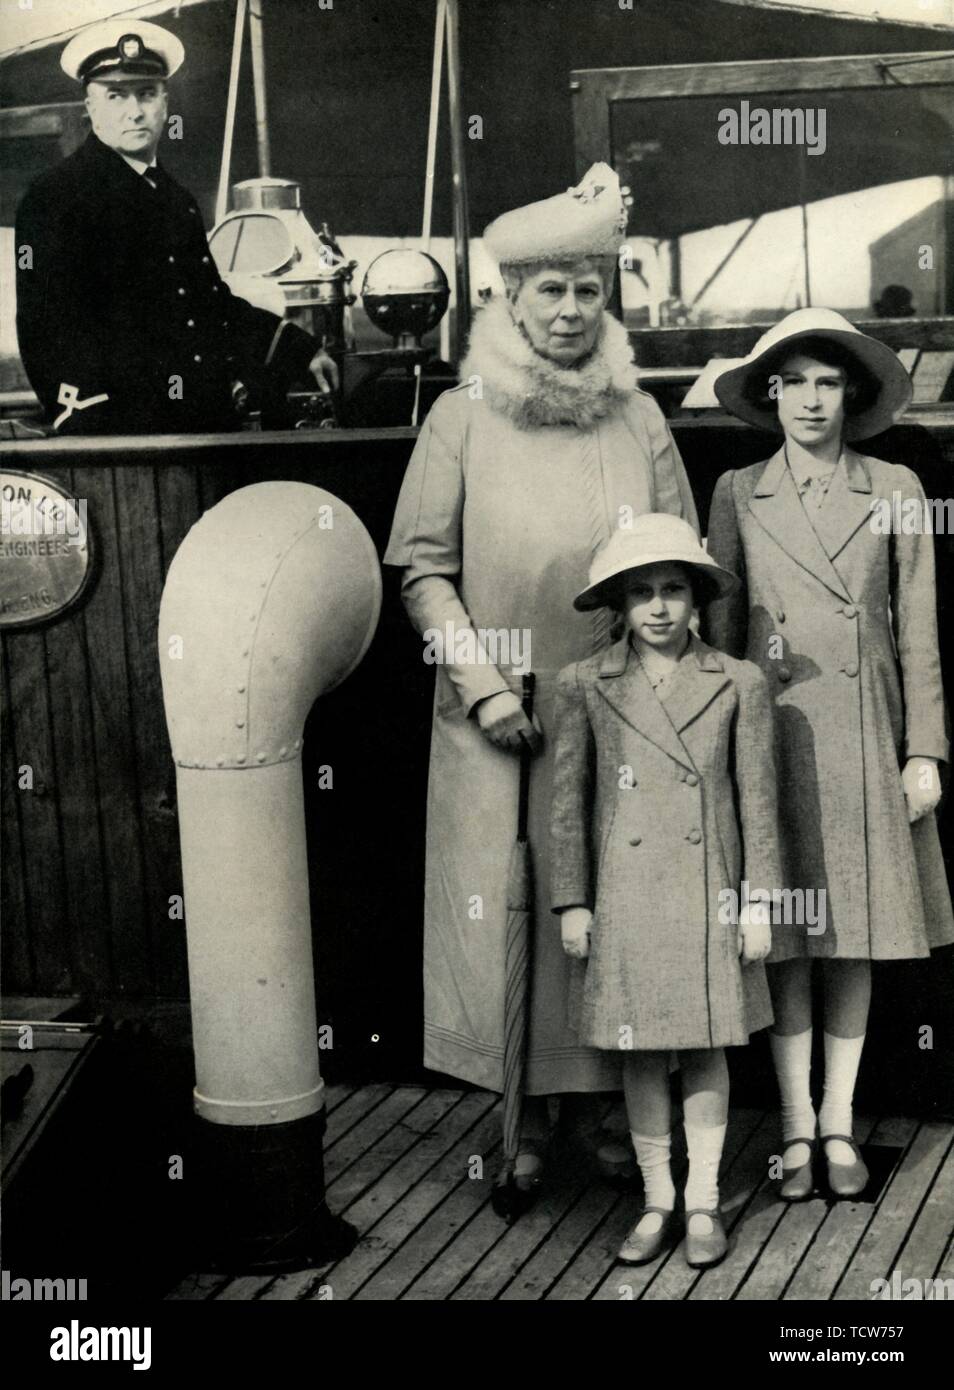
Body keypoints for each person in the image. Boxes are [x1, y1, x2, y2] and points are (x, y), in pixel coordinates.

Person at [384, 164, 699, 1194]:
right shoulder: (462, 417)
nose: (569, 310)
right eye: (549, 291)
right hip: (500, 715)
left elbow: (680, 559)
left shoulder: (639, 418)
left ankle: (609, 1105)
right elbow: (422, 572)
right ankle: (518, 1113)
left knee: (609, 906)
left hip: (617, 708)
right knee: (506, 911)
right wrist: (485, 688)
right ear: (508, 301)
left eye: (588, 291)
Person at [706, 308, 954, 1202]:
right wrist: (722, 755)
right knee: (784, 941)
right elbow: (723, 642)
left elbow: (918, 630)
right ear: (769, 392)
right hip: (774, 736)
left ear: (852, 392)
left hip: (861, 734)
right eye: (794, 381)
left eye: (827, 381)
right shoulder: (736, 491)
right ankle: (796, 1129)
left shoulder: (895, 486)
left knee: (850, 937)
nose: (811, 400)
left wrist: (924, 747)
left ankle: (841, 1122)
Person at [550, 515, 778, 1268]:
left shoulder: (739, 681)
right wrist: (574, 901)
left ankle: (705, 1201)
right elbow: (568, 804)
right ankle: (657, 1200)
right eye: (641, 592)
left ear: (698, 598)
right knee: (640, 1051)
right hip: (624, 895)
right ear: (619, 603)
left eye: (673, 589)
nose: (658, 607)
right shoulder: (586, 683)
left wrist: (758, 903)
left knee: (709, 1044)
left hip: (709, 889)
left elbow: (759, 803)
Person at [14, 19, 336, 435]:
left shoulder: (175, 199)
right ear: (91, 108)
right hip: (122, 437)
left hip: (205, 423)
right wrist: (86, 418)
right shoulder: (56, 198)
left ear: (165, 104)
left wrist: (297, 349)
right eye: (116, 96)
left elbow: (208, 305)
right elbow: (46, 326)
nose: (135, 111)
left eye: (147, 94)